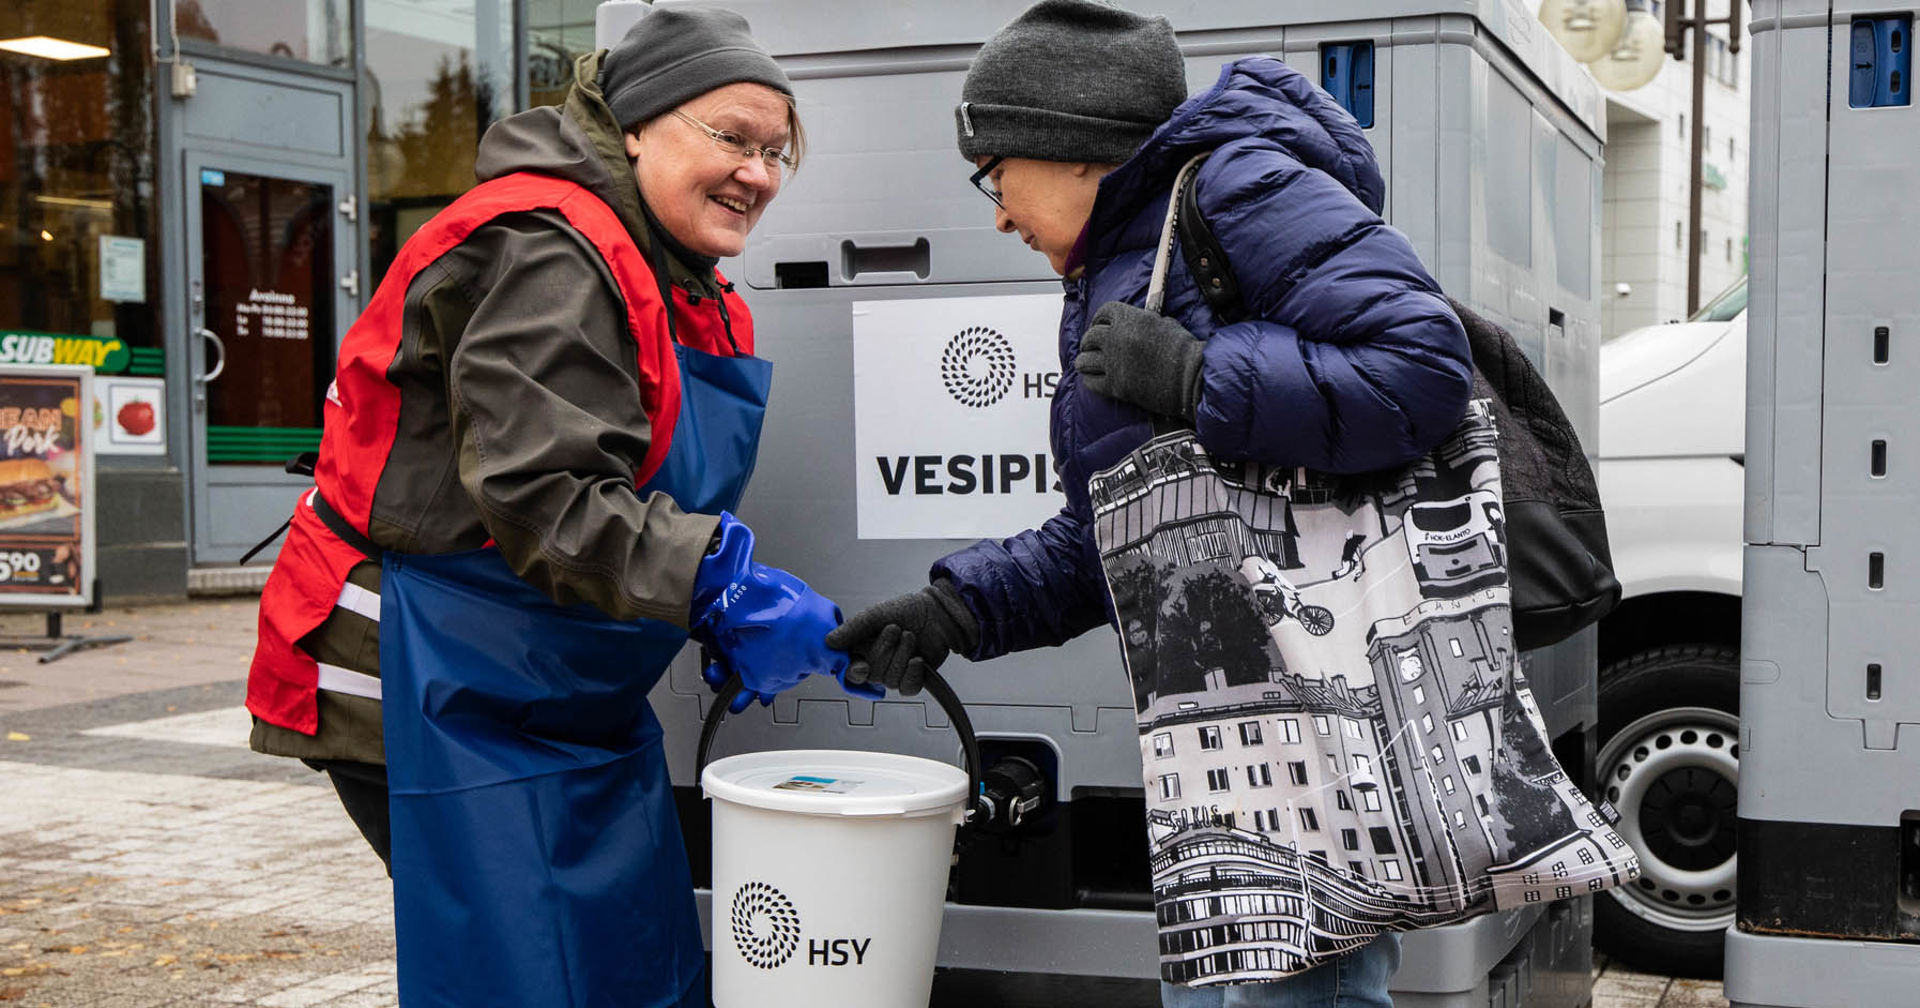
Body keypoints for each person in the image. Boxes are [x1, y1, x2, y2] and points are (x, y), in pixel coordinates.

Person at [825, 2, 1472, 1006]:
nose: (995, 209)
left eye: (996, 172)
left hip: (1306, 716)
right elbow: (1122, 535)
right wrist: (953, 610)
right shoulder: (1120, 265)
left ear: (1074, 149)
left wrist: (1199, 376)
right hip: (1217, 731)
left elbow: (1423, 367)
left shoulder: (1234, 188)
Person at [245, 9, 858, 1006]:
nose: (759, 172)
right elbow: (542, 497)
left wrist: (700, 594)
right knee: (528, 976)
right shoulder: (550, 250)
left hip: (548, 686)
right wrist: (715, 581)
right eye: (731, 138)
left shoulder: (677, 275)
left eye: (777, 150)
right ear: (634, 126)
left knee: (623, 961)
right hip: (423, 675)